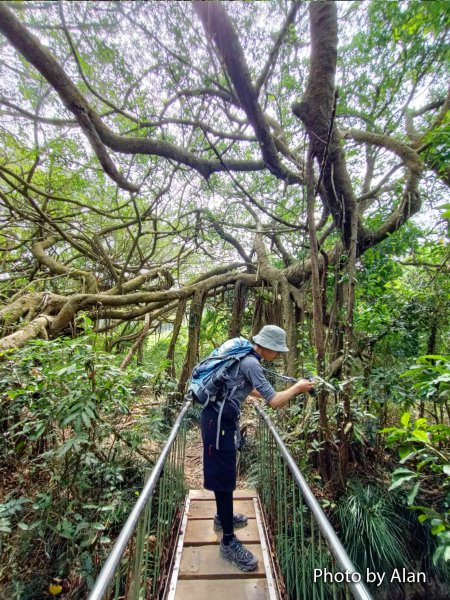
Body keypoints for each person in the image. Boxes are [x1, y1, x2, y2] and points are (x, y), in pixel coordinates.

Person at [200, 324, 315, 571]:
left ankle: (223, 518)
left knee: (225, 474)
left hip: (217, 419)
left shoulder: (246, 357)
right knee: (225, 478)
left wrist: (269, 390)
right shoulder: (252, 362)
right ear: (269, 347)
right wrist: (298, 388)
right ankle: (228, 542)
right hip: (218, 423)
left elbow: (247, 388)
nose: (278, 355)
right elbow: (275, 402)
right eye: (278, 351)